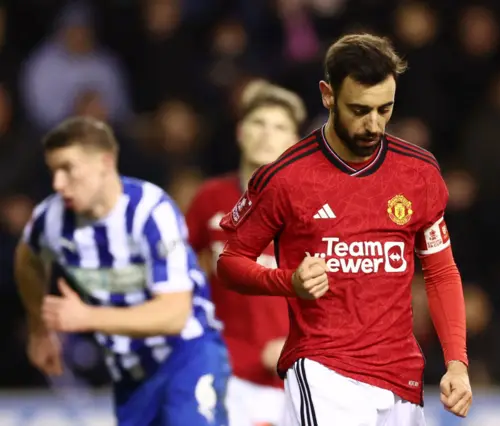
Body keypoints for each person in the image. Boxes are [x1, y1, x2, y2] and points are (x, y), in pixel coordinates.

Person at [217, 33, 473, 425]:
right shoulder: (286, 178)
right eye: (359, 110)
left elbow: (440, 271)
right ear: (327, 94)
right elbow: (231, 263)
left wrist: (457, 362)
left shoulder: (418, 173)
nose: (374, 124)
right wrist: (289, 282)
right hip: (323, 370)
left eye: (384, 110)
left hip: (401, 376)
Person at [14, 116, 230, 426]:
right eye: (53, 171)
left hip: (187, 355)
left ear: (104, 162)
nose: (58, 184)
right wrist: (39, 328)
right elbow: (27, 258)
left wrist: (86, 317)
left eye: (67, 169)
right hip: (129, 370)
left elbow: (174, 314)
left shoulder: (151, 212)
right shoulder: (51, 218)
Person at [186, 82, 306, 426]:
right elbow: (174, 272)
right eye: (259, 123)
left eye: (280, 127)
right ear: (240, 132)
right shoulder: (210, 198)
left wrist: (299, 344)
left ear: (293, 143)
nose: (268, 134)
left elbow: (344, 291)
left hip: (295, 377)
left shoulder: (313, 209)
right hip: (225, 372)